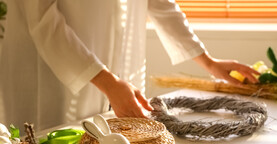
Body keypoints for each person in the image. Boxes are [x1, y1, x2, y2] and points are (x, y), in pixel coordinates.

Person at [0, 0, 259, 131]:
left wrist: (208, 62)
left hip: (109, 71)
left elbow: (159, 3)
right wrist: (107, 81)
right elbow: (42, 19)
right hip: (46, 70)